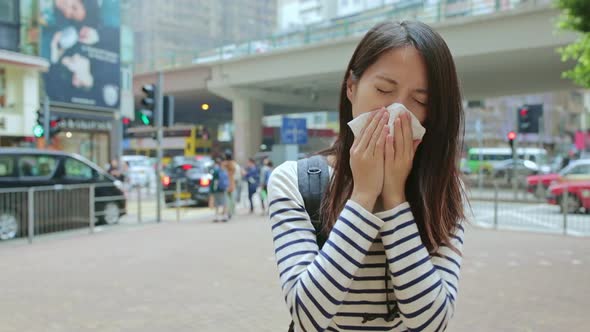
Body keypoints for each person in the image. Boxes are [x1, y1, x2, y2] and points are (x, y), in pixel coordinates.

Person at [268, 21, 466, 331]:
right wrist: (363, 195)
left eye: (420, 101)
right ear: (351, 87)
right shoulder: (294, 181)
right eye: (384, 90)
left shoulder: (443, 188)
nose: (398, 111)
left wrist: (395, 197)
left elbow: (431, 323)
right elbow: (307, 315)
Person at [209, 158, 229, 222]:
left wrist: (212, 190)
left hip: (216, 189)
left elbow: (213, 182)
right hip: (223, 189)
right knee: (224, 202)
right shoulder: (224, 171)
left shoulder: (216, 171)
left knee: (217, 203)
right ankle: (225, 216)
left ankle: (217, 216)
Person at [222, 152, 238, 219]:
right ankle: (231, 212)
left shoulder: (224, 164)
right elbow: (235, 171)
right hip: (232, 182)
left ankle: (228, 212)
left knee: (227, 199)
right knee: (232, 199)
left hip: (226, 183)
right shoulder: (233, 163)